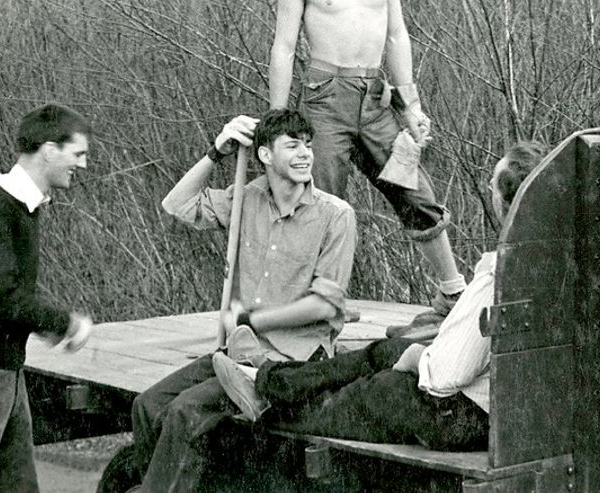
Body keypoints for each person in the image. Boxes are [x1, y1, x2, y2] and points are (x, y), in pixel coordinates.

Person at [211, 141, 549, 452]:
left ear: (508, 204)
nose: (488, 188)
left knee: (379, 391)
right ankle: (269, 377)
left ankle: (267, 406)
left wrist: (419, 359)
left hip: (466, 418)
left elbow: (446, 377)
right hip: (497, 407)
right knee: (383, 352)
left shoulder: (498, 281)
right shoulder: (549, 259)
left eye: (493, 182)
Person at [267, 0, 466, 337]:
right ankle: (316, 307)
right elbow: (284, 49)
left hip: (377, 98)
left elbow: (397, 34)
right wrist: (277, 121)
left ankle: (452, 291)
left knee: (415, 190)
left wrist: (411, 105)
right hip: (324, 100)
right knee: (318, 204)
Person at [131, 109, 356, 492]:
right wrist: (216, 152)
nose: (305, 154)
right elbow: (177, 205)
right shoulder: (246, 198)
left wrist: (254, 320)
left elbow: (326, 306)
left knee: (187, 411)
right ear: (266, 155)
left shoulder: (335, 216)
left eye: (308, 144)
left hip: (288, 362)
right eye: (292, 145)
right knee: (148, 405)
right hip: (236, 353)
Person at [0, 104, 93, 493]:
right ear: (49, 150)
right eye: (78, 154)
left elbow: (6, 291)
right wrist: (62, 322)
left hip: (4, 369)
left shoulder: (23, 207)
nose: (84, 165)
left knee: (17, 484)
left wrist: (47, 324)